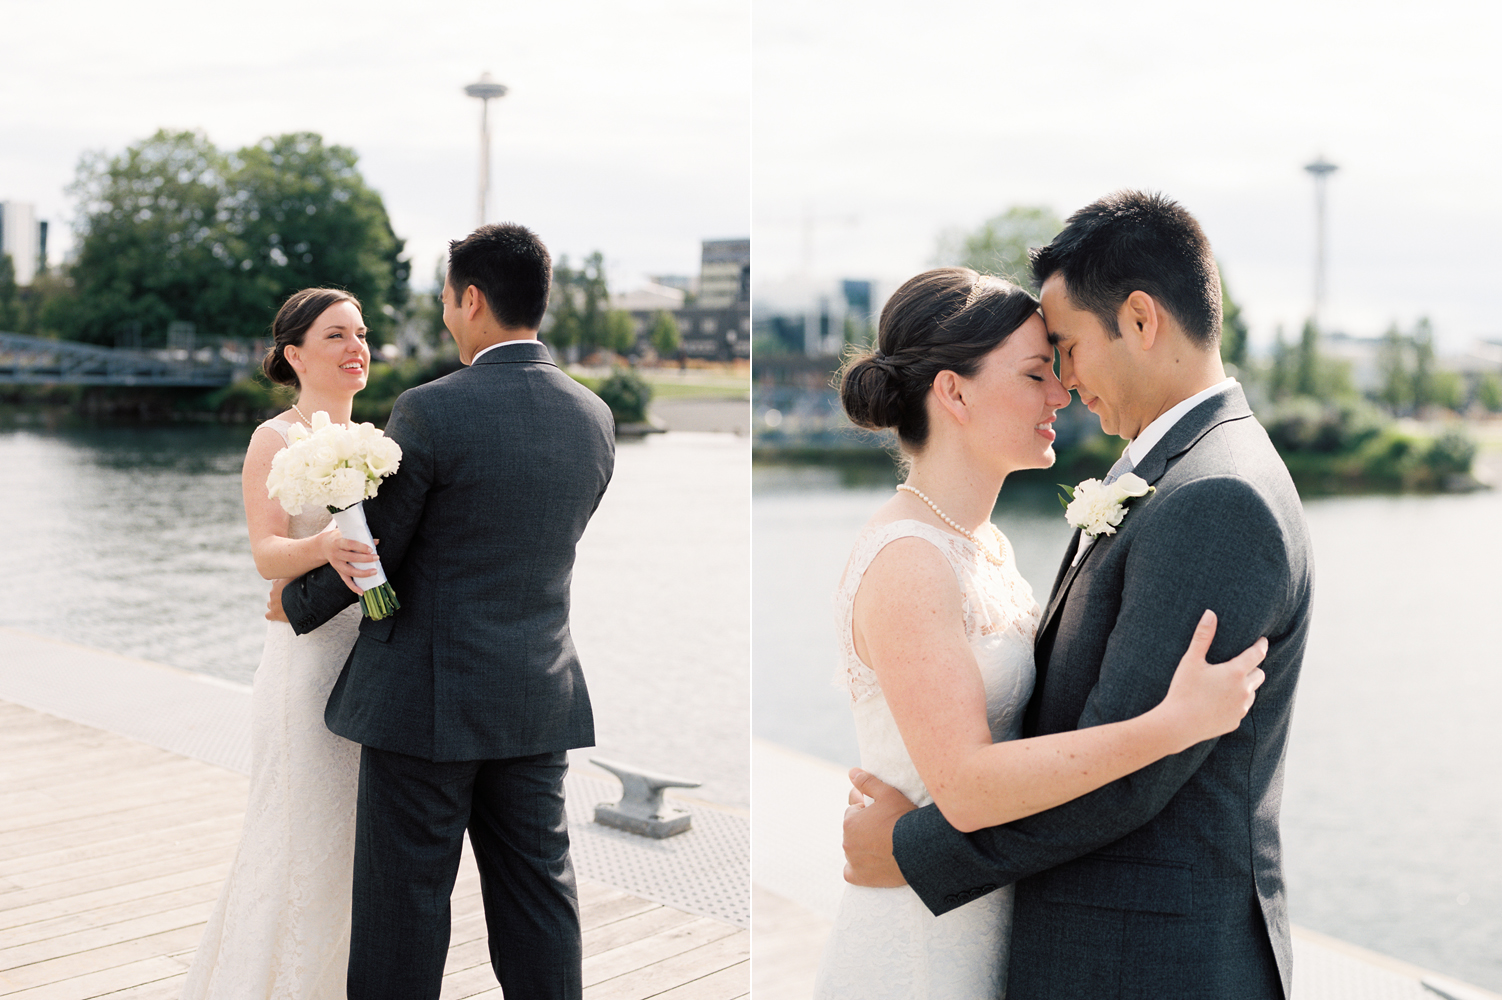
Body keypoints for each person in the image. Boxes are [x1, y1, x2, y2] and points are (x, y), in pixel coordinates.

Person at [842, 192, 1313, 999]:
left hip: (1149, 964)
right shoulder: (1176, 473)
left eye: (1062, 349)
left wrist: (911, 848)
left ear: (1138, 320)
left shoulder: (1214, 496)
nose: (1062, 382)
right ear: (953, 394)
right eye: (1038, 366)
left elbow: (1130, 774)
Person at [273, 223, 615, 1000]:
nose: (443, 313)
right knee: (539, 903)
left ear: (472, 299)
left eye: (445, 298)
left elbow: (378, 548)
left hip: (425, 703)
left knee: (405, 908)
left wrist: (297, 601)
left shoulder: (431, 409)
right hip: (537, 696)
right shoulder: (593, 416)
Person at [184, 287, 384, 998]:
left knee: (357, 848)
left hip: (377, 663)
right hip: (306, 664)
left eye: (361, 334)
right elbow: (268, 553)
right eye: (336, 336)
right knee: (299, 831)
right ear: (294, 353)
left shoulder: (381, 445)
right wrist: (328, 543)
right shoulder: (274, 438)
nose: (357, 347)